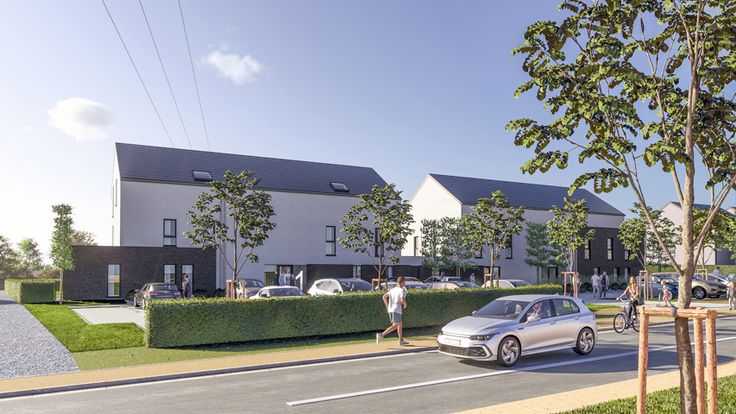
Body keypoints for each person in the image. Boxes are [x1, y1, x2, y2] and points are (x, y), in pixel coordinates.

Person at [377, 276, 409, 346]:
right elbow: (402, 300)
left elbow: (384, 297)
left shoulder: (393, 290)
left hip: (391, 309)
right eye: (404, 282)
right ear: (402, 282)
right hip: (397, 310)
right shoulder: (402, 290)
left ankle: (401, 340)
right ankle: (381, 335)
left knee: (400, 324)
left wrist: (387, 306)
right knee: (395, 325)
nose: (405, 283)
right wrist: (405, 304)